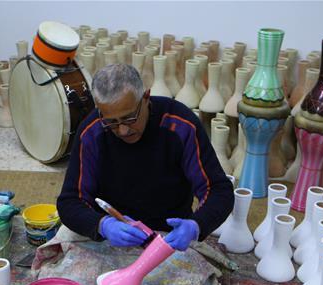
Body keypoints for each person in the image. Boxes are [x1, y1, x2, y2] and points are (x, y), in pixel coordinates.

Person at [56, 62, 235, 251]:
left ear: (146, 98)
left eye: (129, 118)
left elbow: (218, 190)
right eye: (112, 122)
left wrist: (195, 226)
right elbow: (70, 202)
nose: (123, 130)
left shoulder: (180, 124)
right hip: (111, 236)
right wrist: (103, 225)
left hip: (169, 236)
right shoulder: (92, 131)